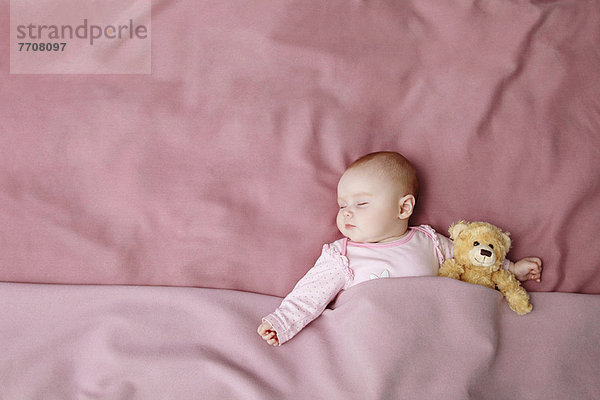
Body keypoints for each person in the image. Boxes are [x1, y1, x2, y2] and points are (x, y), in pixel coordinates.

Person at [257, 151, 542, 346]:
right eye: (342, 205)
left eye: (361, 204)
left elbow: (473, 259)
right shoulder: (342, 255)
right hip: (373, 338)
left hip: (430, 335)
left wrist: (513, 269)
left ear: (403, 207)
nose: (347, 213)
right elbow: (310, 295)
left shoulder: (429, 242)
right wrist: (281, 323)